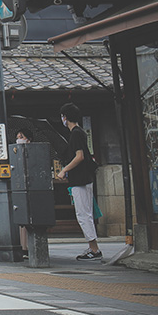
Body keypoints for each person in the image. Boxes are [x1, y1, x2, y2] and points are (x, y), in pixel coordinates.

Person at [56, 102, 102, 261]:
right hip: (84, 178)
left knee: (83, 214)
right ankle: (92, 247)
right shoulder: (80, 132)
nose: (62, 119)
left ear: (65, 117)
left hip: (80, 179)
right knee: (86, 213)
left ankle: (94, 249)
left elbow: (80, 156)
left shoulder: (75, 134)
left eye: (62, 116)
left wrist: (64, 170)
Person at [14, 125, 33, 259]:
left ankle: (30, 246)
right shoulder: (15, 153)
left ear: (29, 139)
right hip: (20, 189)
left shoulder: (34, 152)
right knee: (22, 219)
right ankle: (23, 247)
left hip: (32, 189)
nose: (19, 140)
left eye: (22, 137)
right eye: (17, 138)